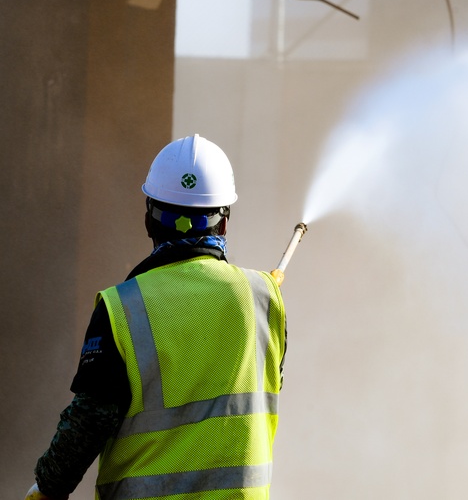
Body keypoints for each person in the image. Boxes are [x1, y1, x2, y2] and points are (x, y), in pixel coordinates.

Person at [25, 134, 287, 500]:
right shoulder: (264, 298)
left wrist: (46, 489)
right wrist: (262, 295)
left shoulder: (121, 307)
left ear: (150, 220)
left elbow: (90, 421)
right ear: (224, 224)